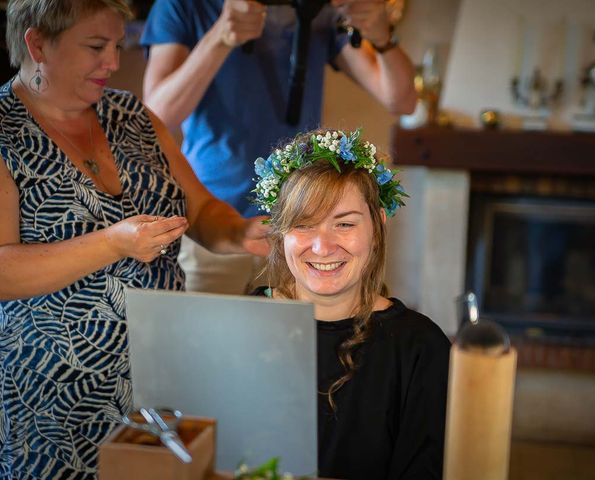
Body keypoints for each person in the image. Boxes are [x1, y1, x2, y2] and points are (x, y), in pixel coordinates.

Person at [0, 1, 269, 478]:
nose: (114, 63)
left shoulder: (133, 116)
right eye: (96, 47)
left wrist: (243, 233)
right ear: (37, 43)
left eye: (118, 46)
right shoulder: (6, 130)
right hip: (55, 405)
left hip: (160, 387)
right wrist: (113, 243)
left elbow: (202, 210)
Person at [140, 0, 418, 295]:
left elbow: (402, 101)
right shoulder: (183, 6)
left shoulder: (319, 10)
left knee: (289, 339)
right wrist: (220, 37)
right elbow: (156, 117)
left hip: (294, 228)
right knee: (207, 339)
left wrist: (381, 37)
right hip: (208, 226)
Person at [252, 129, 451, 479]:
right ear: (280, 233)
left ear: (377, 227)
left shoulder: (422, 348)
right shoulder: (242, 323)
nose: (322, 247)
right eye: (303, 225)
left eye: (344, 224)